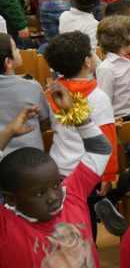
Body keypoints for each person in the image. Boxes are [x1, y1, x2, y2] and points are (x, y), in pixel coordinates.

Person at [0, 86, 112, 267]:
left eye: (55, 185)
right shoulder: (5, 225)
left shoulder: (71, 195)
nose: (53, 197)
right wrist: (8, 133)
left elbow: (101, 150)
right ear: (11, 199)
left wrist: (75, 113)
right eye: (38, 193)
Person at [42, 31, 121, 236]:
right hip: (89, 170)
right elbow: (107, 140)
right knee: (87, 216)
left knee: (70, 215)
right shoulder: (98, 97)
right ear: (87, 62)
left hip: (59, 169)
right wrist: (108, 175)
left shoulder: (54, 94)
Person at [0, 33, 50, 154]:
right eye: (15, 48)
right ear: (8, 62)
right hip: (31, 158)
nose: (19, 50)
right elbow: (45, 122)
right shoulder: (31, 87)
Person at [96, 15, 130, 123]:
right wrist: (108, 121)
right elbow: (104, 100)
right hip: (122, 120)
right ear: (122, 41)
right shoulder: (107, 68)